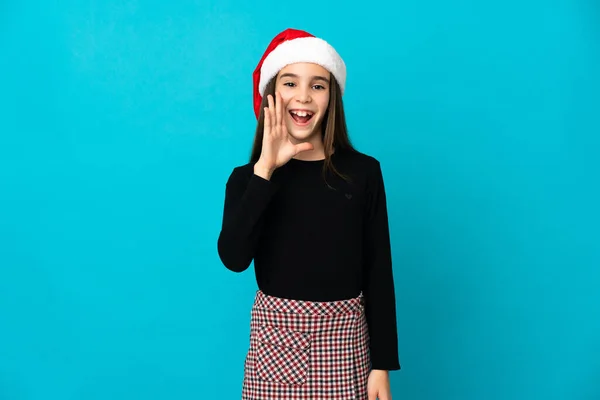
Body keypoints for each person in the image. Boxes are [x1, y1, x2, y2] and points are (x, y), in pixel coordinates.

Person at [217, 28, 401, 400]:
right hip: (275, 349)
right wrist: (265, 170)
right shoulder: (248, 179)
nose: (303, 97)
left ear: (333, 97)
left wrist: (381, 366)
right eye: (290, 83)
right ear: (270, 95)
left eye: (318, 85)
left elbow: (378, 270)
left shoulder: (363, 173)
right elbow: (234, 259)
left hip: (346, 345)